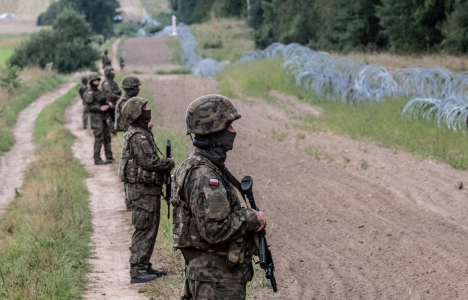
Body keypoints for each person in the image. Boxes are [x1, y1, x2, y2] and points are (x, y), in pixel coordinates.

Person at [171, 95, 267, 300]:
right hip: (216, 281)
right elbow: (215, 229)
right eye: (229, 125)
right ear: (213, 130)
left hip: (211, 277)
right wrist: (252, 218)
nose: (233, 131)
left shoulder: (199, 164)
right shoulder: (205, 175)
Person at [119, 97, 175, 284]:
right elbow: (149, 162)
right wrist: (169, 163)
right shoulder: (138, 137)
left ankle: (144, 264)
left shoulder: (141, 133)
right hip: (142, 191)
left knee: (150, 227)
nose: (148, 109)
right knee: (144, 228)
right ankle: (137, 270)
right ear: (137, 113)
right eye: (145, 108)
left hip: (146, 190)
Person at [115, 75, 142, 211]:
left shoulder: (132, 101)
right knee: (129, 170)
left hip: (135, 138)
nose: (137, 89)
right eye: (135, 87)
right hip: (130, 139)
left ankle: (134, 199)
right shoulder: (124, 103)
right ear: (129, 88)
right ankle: (129, 201)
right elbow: (127, 122)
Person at [84, 73, 114, 165]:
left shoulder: (99, 91)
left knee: (107, 136)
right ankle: (97, 159)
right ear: (91, 82)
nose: (96, 82)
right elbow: (88, 107)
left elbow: (102, 100)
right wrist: (99, 108)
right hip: (96, 118)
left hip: (103, 117)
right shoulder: (89, 93)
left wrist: (108, 104)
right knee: (99, 137)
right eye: (94, 80)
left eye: (98, 80)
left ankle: (109, 156)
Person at [102, 66, 121, 134]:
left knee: (115, 118)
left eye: (113, 71)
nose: (113, 72)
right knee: (110, 118)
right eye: (111, 71)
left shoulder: (114, 83)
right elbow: (108, 95)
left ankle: (113, 131)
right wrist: (119, 97)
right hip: (109, 103)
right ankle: (110, 132)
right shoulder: (106, 83)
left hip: (115, 102)